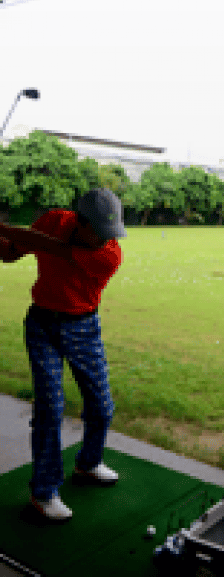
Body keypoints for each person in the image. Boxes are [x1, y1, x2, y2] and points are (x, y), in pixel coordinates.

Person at [0, 188, 126, 522]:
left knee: (101, 405)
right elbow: (11, 253)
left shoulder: (108, 255)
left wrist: (6, 229)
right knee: (50, 408)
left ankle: (88, 463)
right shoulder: (54, 221)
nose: (107, 239)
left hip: (84, 328)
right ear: (80, 222)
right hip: (42, 325)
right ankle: (44, 492)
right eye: (100, 231)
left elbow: (52, 247)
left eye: (111, 232)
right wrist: (5, 239)